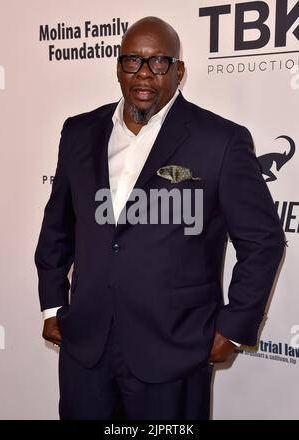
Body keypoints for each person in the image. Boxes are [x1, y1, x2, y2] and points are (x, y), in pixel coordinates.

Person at [35, 16, 285, 420]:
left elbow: (263, 242)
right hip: (86, 349)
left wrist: (234, 328)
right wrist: (51, 305)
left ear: (179, 72)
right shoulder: (79, 132)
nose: (144, 74)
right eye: (133, 61)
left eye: (159, 62)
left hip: (174, 351)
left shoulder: (220, 140)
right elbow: (57, 226)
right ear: (118, 67)